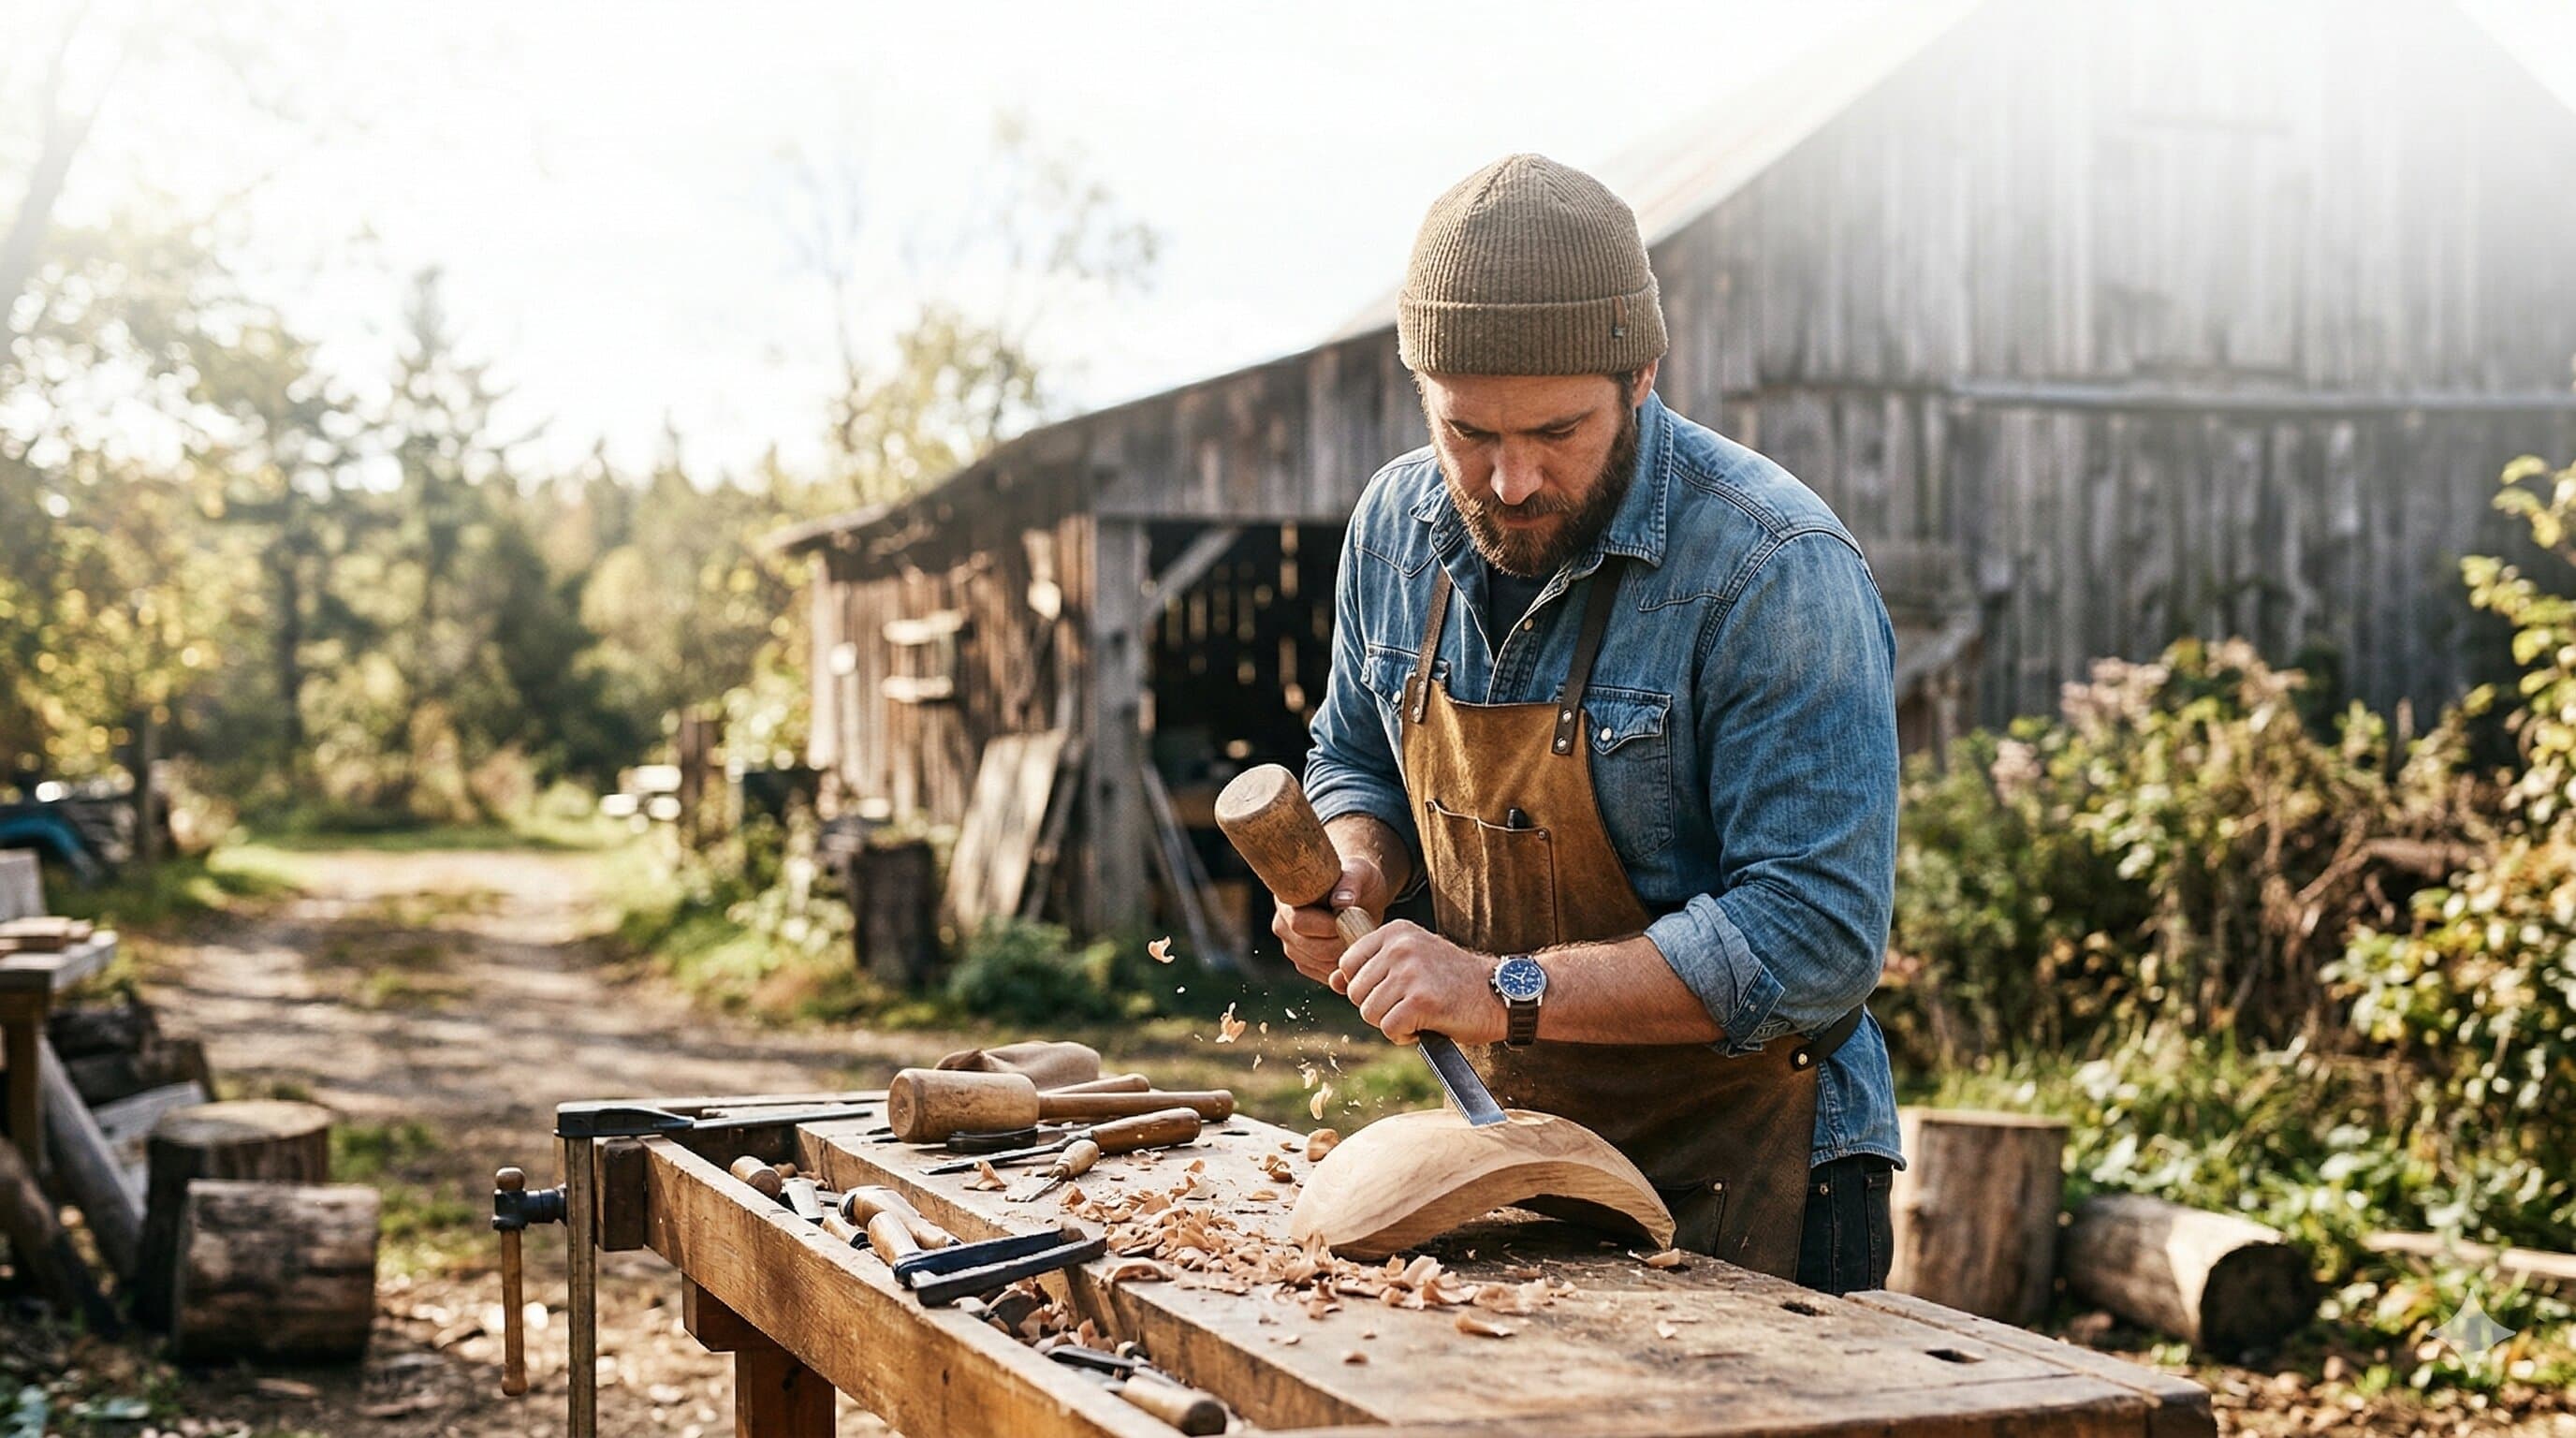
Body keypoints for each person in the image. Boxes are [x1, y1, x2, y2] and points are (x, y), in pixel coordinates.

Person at [1273, 154, 1902, 1293]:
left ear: (1643, 374)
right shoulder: (1392, 528)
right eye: (1468, 435)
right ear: (1422, 390)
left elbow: (1814, 934)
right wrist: (1355, 869)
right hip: (1510, 1162)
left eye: (1557, 432)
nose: (1510, 482)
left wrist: (1496, 989)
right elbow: (1356, 754)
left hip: (1748, 1168)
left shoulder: (1772, 568)